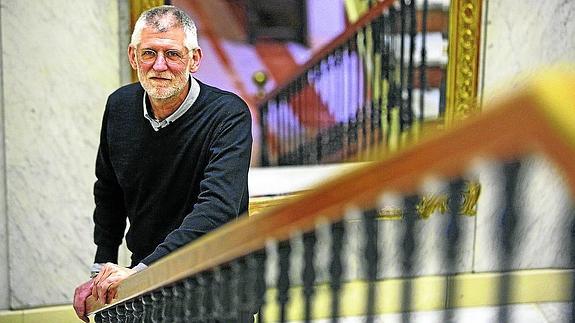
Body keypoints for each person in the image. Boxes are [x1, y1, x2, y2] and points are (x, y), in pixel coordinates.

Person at [73, 5, 252, 322]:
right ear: (133, 56)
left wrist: (141, 272)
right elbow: (109, 192)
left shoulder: (229, 114)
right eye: (148, 53)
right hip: (149, 290)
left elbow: (218, 208)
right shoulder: (119, 106)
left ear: (194, 59)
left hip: (218, 289)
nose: (159, 66)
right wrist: (101, 269)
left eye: (172, 54)